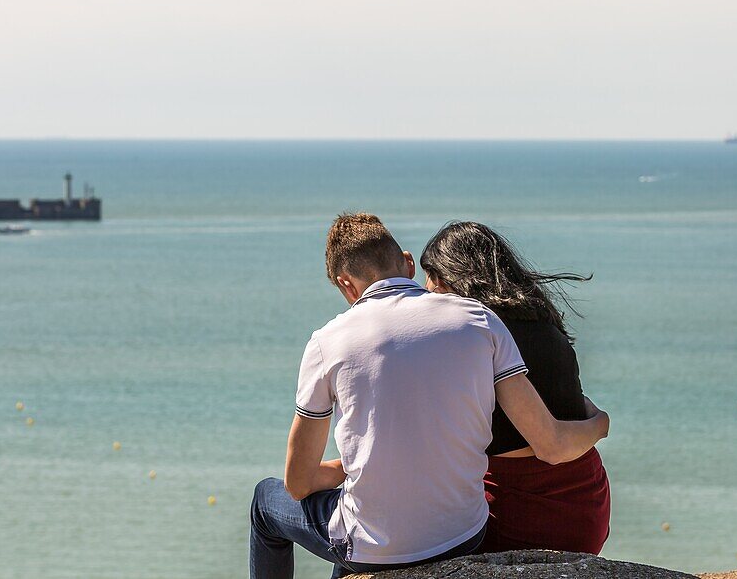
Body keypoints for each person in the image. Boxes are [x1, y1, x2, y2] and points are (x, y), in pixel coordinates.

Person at [249, 213, 609, 579]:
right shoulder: (488, 321)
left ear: (345, 284)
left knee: (270, 502)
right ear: (405, 263)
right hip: (480, 531)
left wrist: (354, 468)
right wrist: (600, 421)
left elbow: (298, 484)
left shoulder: (328, 341)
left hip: (399, 542)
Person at [420, 221, 611, 555]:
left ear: (451, 278)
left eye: (432, 283)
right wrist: (597, 421)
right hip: (587, 503)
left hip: (524, 512)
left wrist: (600, 424)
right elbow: (564, 398)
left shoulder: (477, 335)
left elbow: (549, 445)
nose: (427, 294)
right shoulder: (542, 322)